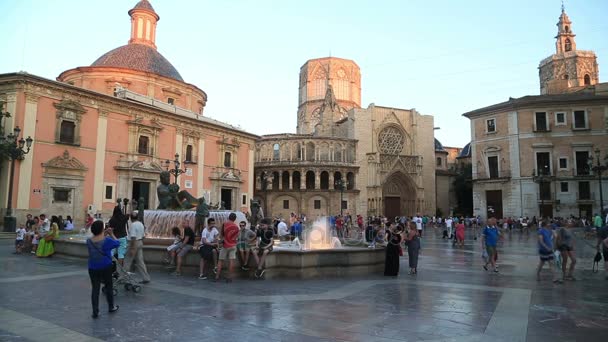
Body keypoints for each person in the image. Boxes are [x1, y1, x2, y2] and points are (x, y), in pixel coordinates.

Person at [86, 220, 120, 318]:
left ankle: (95, 311)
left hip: (92, 267)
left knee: (95, 289)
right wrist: (111, 233)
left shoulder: (88, 241)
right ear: (102, 229)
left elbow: (98, 238)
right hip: (106, 266)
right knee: (109, 286)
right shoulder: (107, 240)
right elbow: (117, 243)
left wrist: (104, 233)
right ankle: (111, 307)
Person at [122, 213, 151, 284]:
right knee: (140, 261)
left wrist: (132, 248)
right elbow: (143, 236)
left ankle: (123, 278)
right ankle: (146, 278)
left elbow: (133, 237)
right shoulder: (141, 224)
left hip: (134, 244)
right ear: (137, 217)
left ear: (130, 218)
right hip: (140, 242)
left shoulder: (133, 225)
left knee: (127, 261)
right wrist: (140, 243)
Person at [215, 213, 239, 282]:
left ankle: (217, 277)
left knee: (220, 261)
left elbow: (221, 235)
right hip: (233, 245)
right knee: (231, 261)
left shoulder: (224, 224)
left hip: (225, 245)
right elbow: (236, 237)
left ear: (229, 217)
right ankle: (229, 277)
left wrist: (220, 242)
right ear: (235, 219)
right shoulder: (236, 227)